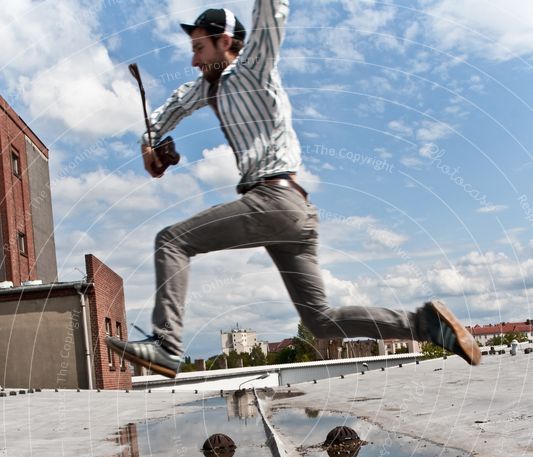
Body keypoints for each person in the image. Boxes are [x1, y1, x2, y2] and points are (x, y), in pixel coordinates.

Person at [106, 2, 481, 377]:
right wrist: (149, 146)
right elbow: (166, 114)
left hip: (274, 202)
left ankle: (167, 346)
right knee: (321, 321)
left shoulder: (255, 65)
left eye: (199, 48)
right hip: (296, 215)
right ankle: (425, 324)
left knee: (172, 241)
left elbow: (272, 12)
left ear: (224, 41)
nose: (193, 61)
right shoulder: (207, 88)